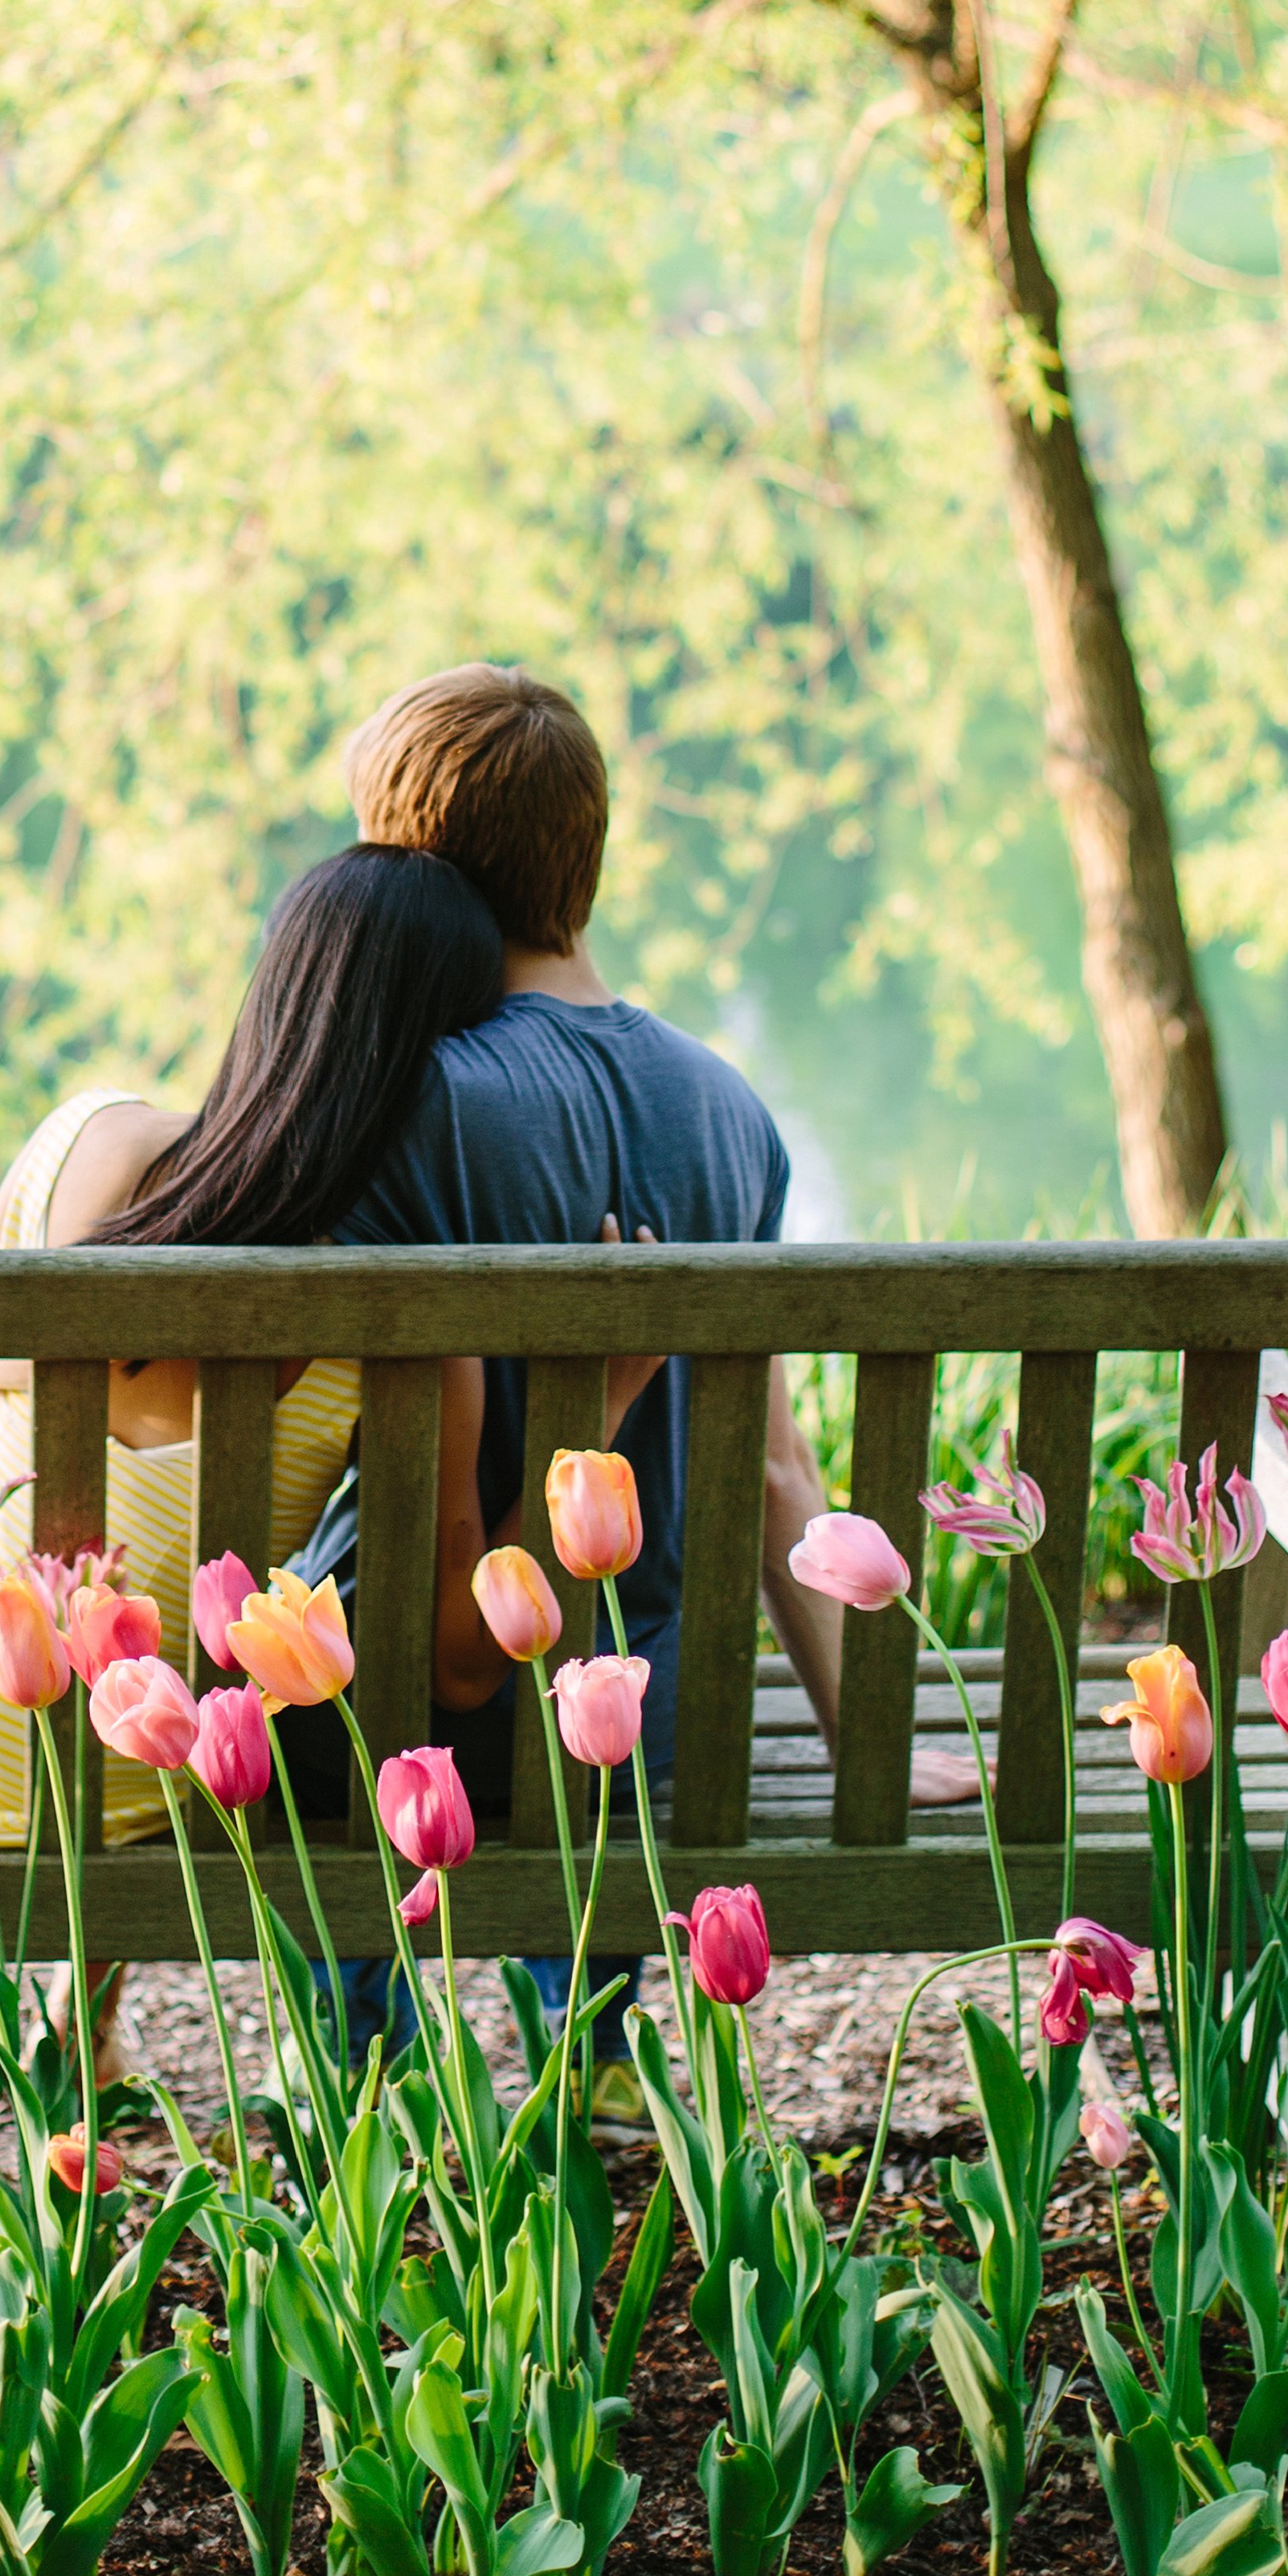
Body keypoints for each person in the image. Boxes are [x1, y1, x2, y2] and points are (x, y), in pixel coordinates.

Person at [330, 664, 974, 2102]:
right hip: (648, 1723)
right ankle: (596, 2047)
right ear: (589, 852)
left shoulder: (408, 1104)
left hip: (437, 1724)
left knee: (320, 1633)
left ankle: (362, 2058)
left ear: (411, 866)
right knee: (613, 1654)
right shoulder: (733, 1111)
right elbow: (775, 1469)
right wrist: (866, 1731)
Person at [0, 843, 509, 1860]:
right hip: (141, 1787)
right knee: (155, 1684)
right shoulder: (411, 1327)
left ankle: (79, 2019)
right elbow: (465, 1669)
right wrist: (604, 1404)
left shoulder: (90, 1144)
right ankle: (91, 2011)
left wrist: (45, 1368)